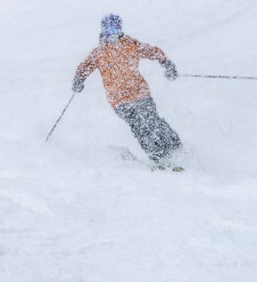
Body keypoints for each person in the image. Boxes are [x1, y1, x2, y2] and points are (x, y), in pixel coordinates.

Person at [72, 14, 185, 169]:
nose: (113, 33)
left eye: (116, 28)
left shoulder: (129, 44)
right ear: (103, 30)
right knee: (139, 125)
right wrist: (79, 79)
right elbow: (85, 66)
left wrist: (166, 63)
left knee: (152, 120)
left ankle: (175, 148)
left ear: (120, 28)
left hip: (140, 92)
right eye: (109, 29)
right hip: (119, 100)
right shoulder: (99, 53)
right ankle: (158, 157)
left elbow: (151, 51)